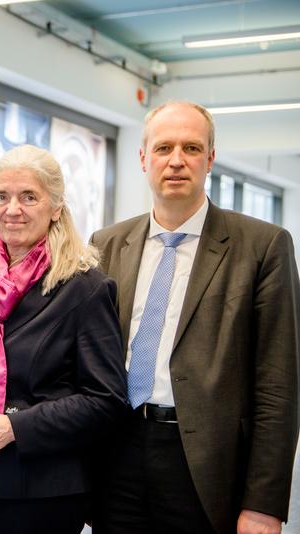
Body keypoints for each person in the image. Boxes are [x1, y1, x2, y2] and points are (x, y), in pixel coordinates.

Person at [91, 100, 300, 534]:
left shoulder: (263, 247)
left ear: (210, 159)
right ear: (143, 158)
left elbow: (279, 387)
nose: (176, 160)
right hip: (116, 452)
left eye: (191, 148)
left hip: (206, 465)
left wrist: (263, 505)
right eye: (164, 148)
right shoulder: (107, 244)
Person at [0, 144, 127, 534]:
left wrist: (15, 428)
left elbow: (105, 400)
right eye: (2, 196)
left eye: (29, 197)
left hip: (38, 491)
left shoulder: (85, 288)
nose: (12, 209)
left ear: (56, 207)